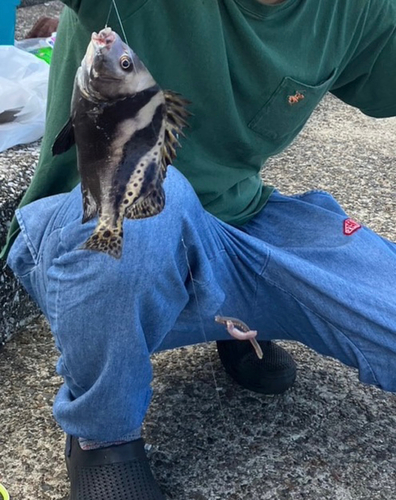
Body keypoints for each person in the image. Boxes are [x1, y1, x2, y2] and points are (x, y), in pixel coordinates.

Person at [2, 0, 396, 498]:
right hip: (105, 238)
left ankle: (237, 313)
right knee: (147, 207)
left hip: (245, 223)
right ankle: (103, 434)